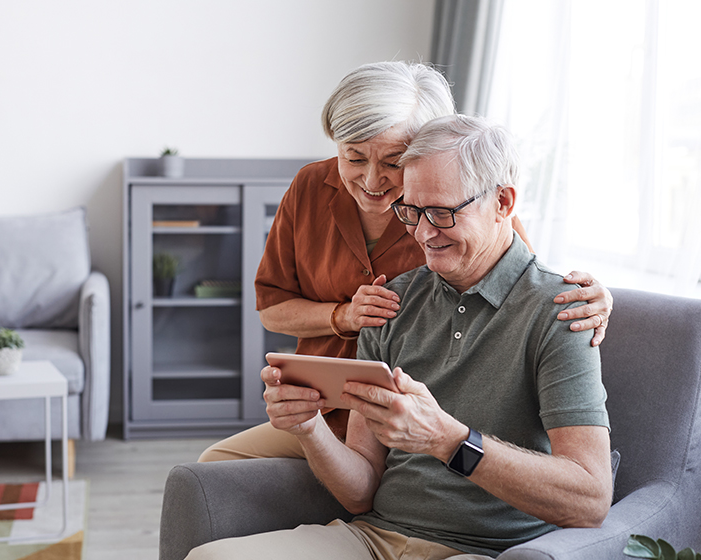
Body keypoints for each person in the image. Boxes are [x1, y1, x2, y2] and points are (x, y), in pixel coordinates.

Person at [187, 114, 612, 560]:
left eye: (443, 213)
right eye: (411, 211)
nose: (423, 233)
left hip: (483, 549)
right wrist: (309, 427)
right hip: (373, 538)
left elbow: (590, 501)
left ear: (502, 202)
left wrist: (448, 439)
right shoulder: (391, 302)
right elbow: (360, 493)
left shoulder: (566, 312)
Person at [198, 61, 612, 463]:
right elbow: (272, 309)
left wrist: (598, 298)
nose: (371, 180)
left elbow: (520, 286)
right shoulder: (310, 186)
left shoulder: (465, 210)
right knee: (215, 463)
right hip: (324, 410)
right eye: (354, 157)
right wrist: (343, 316)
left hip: (426, 415)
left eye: (393, 162)